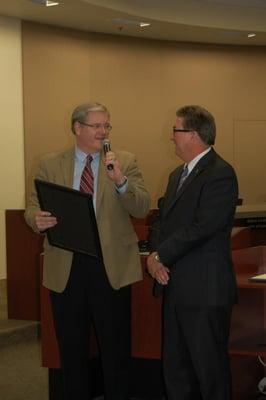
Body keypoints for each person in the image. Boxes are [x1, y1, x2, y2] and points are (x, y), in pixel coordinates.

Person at [24, 102, 150, 400]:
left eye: (107, 125)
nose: (104, 131)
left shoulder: (125, 161)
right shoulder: (49, 162)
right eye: (97, 126)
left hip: (111, 268)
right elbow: (32, 205)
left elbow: (141, 206)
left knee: (115, 349)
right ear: (77, 128)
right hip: (66, 266)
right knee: (71, 350)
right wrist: (36, 220)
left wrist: (119, 180)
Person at [147, 105, 238, 400]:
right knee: (176, 372)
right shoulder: (176, 175)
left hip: (205, 292)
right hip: (174, 287)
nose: (171, 137)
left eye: (176, 130)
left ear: (193, 135)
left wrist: (161, 256)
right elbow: (161, 220)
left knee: (209, 374)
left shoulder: (221, 173)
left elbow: (203, 227)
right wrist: (155, 256)